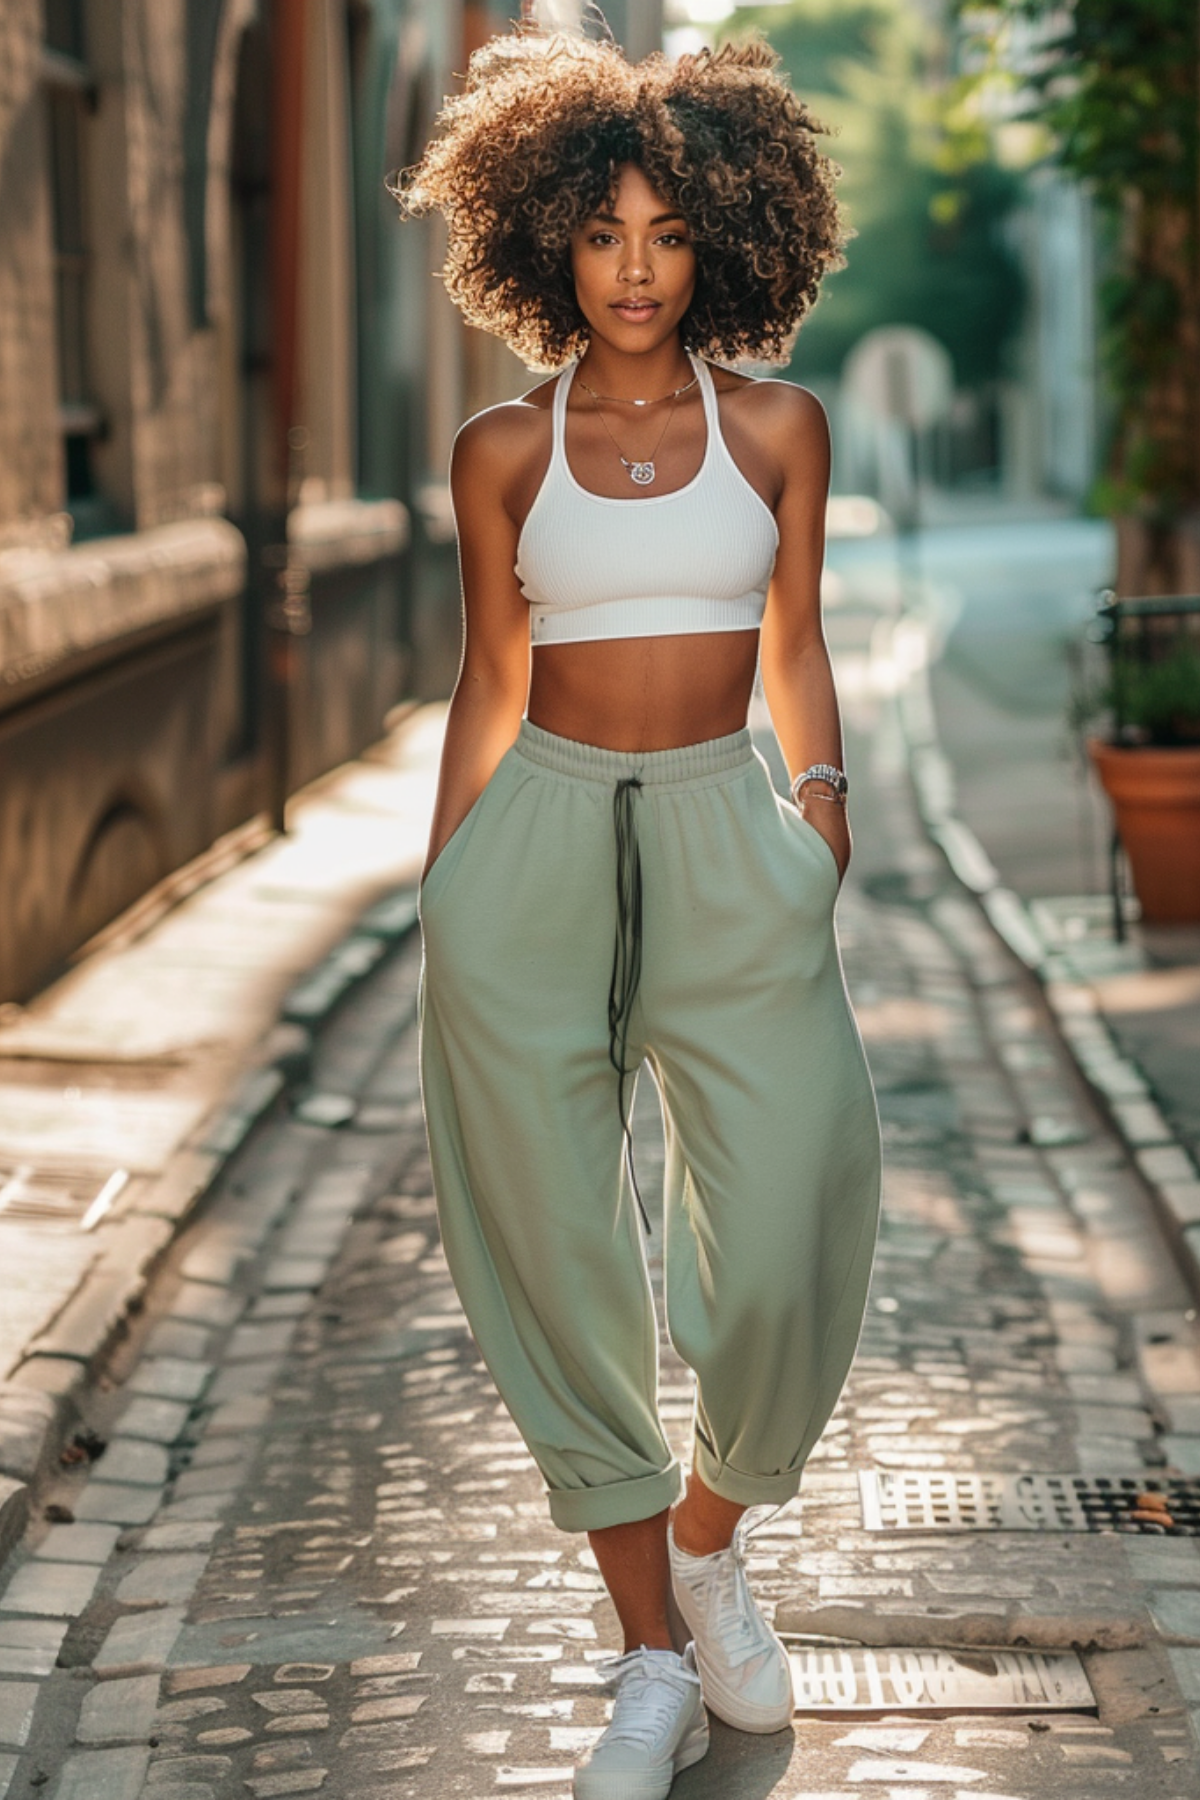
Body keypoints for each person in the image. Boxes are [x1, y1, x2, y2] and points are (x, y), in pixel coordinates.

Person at [393, 24, 881, 1800]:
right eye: (601, 235)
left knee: (791, 1224)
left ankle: (707, 1531)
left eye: (668, 234)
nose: (634, 270)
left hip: (726, 830)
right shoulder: (498, 454)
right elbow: (486, 674)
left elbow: (799, 640)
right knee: (553, 1245)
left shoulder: (778, 426)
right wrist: (449, 880)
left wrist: (819, 815)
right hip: (528, 845)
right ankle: (652, 1657)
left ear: (726, 241)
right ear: (545, 244)